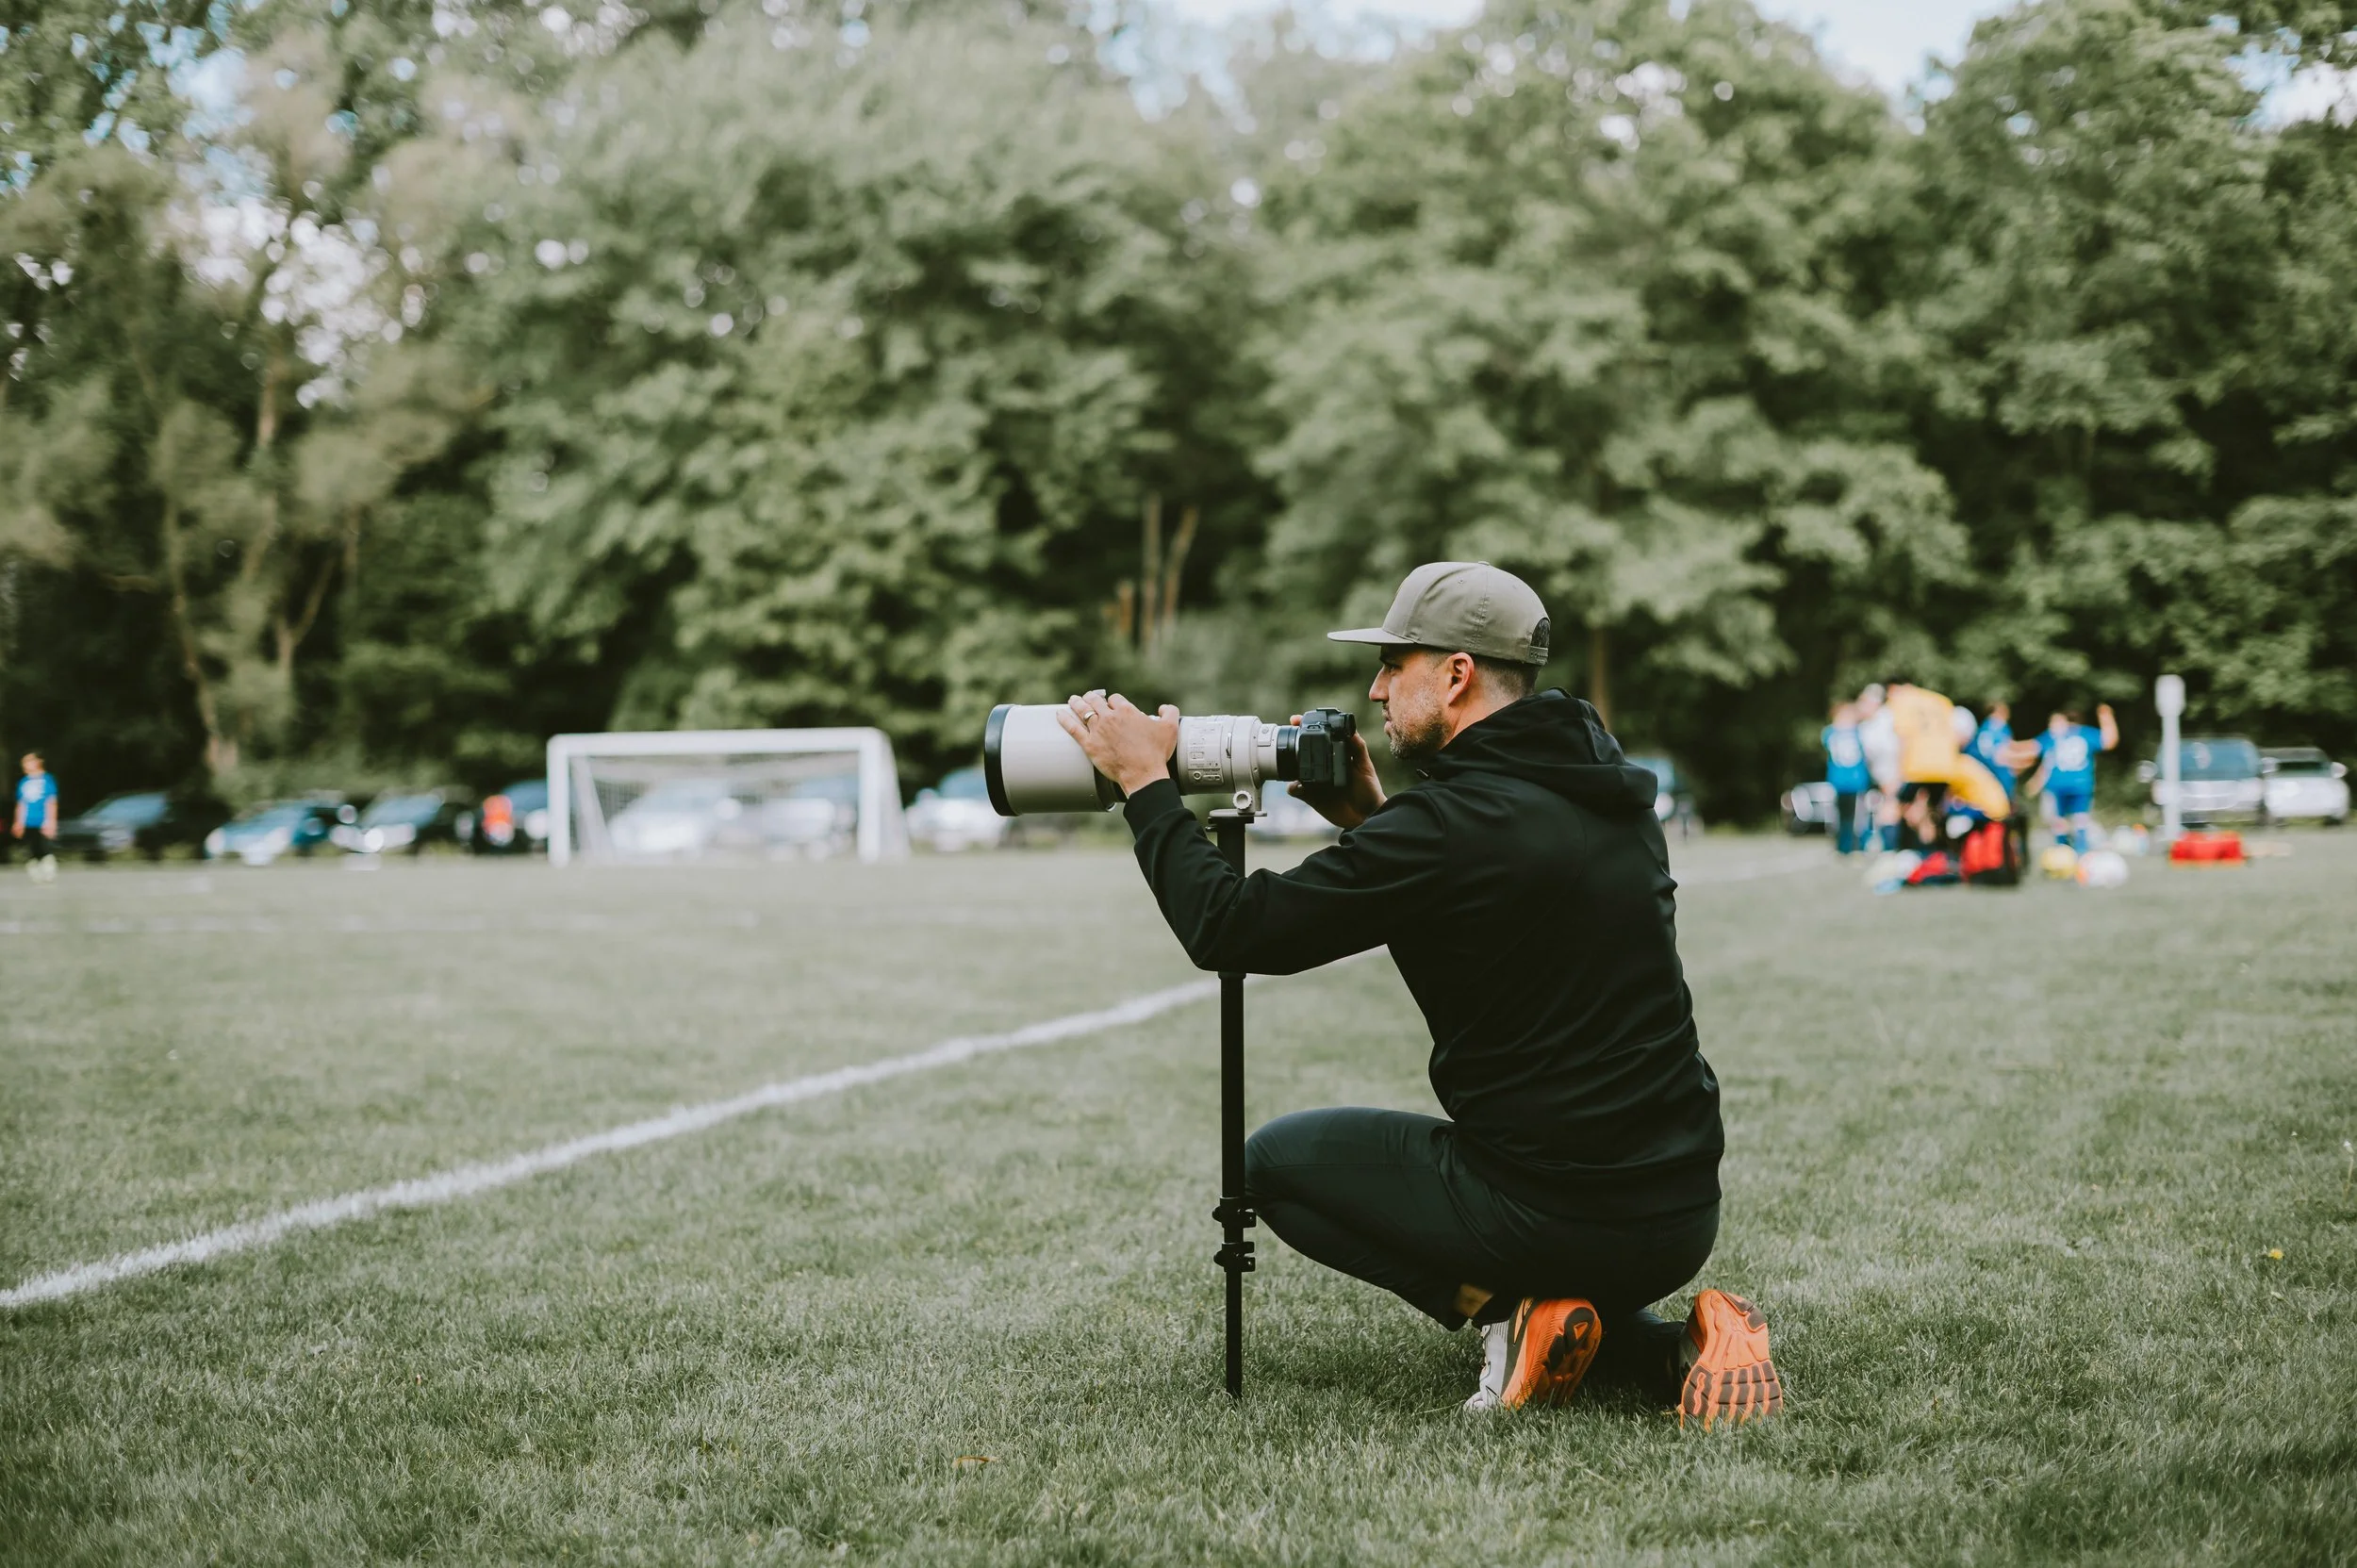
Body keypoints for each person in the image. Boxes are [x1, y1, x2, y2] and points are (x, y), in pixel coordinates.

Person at [1053, 562, 1779, 1425]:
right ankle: (1661, 1349)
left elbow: (1232, 928)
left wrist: (1144, 784)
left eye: (1396, 665)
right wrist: (1371, 817)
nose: (1377, 687)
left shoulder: (1444, 827)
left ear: (1458, 675)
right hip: (1680, 1206)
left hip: (1553, 1209)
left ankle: (1516, 1315)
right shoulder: (1609, 794)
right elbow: (1487, 898)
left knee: (1271, 1168)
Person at [2025, 705, 2118, 852]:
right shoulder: (2085, 733)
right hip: (2080, 782)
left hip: (2058, 783)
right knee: (2080, 819)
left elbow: (2034, 751)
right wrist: (2106, 717)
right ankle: (2080, 851)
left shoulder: (2055, 735)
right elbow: (2110, 741)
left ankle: (2062, 849)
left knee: (2059, 820)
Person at [1822, 702, 1872, 854]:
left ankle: (1855, 845)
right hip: (1842, 781)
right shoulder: (1849, 732)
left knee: (1856, 817)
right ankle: (1845, 845)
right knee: (1843, 816)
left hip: (1854, 782)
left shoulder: (1836, 732)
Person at [13, 751, 59, 883]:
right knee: (31, 848)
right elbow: (21, 804)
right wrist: (18, 822)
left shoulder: (47, 780)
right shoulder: (24, 782)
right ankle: (36, 873)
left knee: (44, 848)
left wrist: (51, 821)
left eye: (27, 761)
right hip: (28, 820)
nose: (24, 765)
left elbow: (51, 802)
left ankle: (48, 871)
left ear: (38, 762)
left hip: (43, 820)